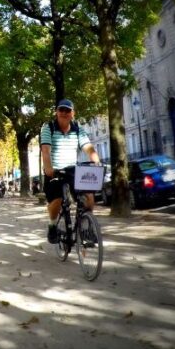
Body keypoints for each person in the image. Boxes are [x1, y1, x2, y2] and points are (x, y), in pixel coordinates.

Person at [40, 98, 101, 244]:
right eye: (61, 110)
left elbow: (88, 148)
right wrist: (48, 168)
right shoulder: (48, 128)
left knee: (89, 197)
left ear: (72, 113)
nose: (64, 113)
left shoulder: (78, 129)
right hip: (54, 171)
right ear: (56, 112)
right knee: (57, 200)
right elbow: (46, 151)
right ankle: (53, 225)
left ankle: (86, 228)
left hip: (73, 170)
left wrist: (97, 161)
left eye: (67, 110)